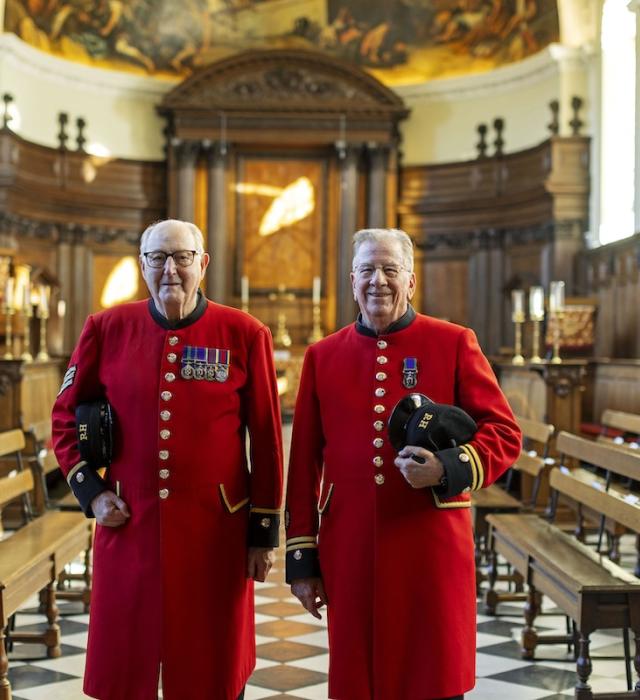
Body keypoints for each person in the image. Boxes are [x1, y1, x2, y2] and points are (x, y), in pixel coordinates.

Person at [285, 227, 521, 700]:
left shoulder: (453, 342)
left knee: (432, 674)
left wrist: (446, 469)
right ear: (352, 280)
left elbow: (505, 434)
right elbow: (304, 463)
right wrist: (302, 562)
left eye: (390, 270)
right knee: (358, 678)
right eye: (367, 270)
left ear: (411, 281)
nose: (378, 281)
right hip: (349, 549)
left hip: (429, 547)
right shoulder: (322, 356)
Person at [52, 219, 283, 700]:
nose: (170, 269)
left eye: (181, 257)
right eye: (157, 258)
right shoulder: (106, 328)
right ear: (142, 265)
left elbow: (266, 439)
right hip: (128, 525)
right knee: (125, 665)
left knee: (212, 666)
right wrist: (91, 494)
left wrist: (262, 534)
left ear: (203, 263)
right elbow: (64, 416)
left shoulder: (244, 333)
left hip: (216, 533)